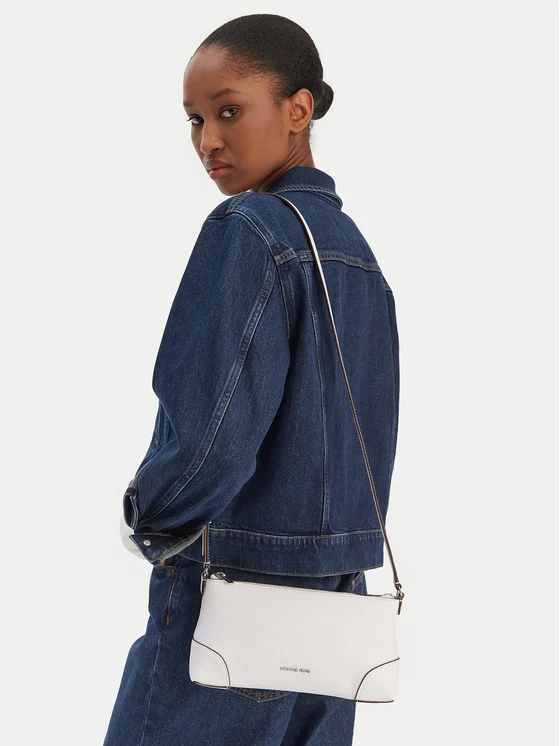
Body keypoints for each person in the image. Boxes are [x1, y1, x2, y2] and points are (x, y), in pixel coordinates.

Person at [104, 13, 400, 746]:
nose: (208, 140)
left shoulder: (251, 228)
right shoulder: (356, 255)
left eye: (229, 111)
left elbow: (212, 438)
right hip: (334, 618)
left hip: (235, 597)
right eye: (195, 119)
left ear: (298, 109)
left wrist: (149, 517)